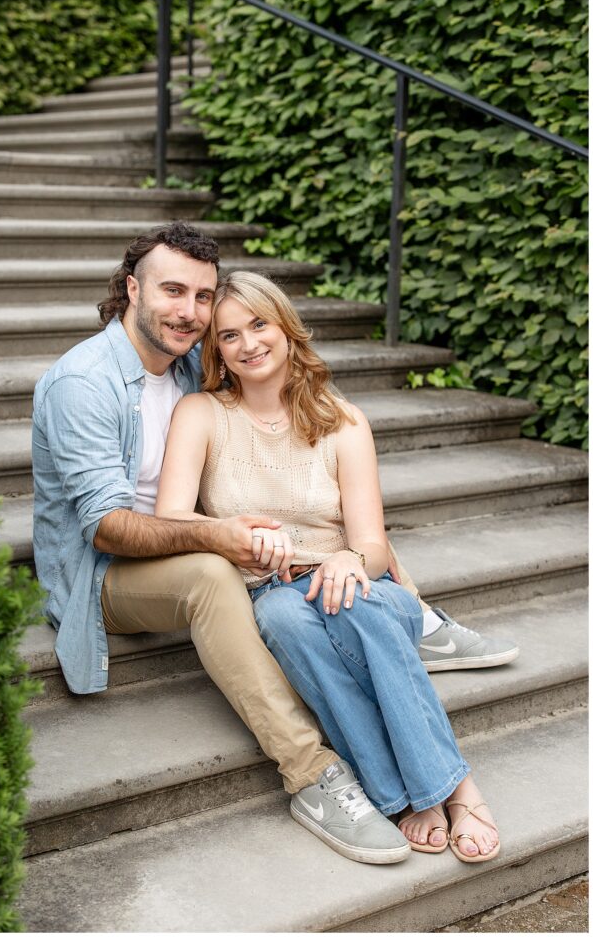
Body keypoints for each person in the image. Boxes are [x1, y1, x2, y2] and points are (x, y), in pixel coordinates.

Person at [155, 269, 502, 864]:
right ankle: (414, 792)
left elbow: (372, 544)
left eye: (260, 325)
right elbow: (170, 519)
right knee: (290, 623)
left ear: (286, 328)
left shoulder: (343, 421)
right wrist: (229, 535)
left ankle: (451, 790)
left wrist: (347, 558)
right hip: (272, 588)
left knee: (360, 609)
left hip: (360, 581)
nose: (249, 344)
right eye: (230, 336)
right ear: (217, 351)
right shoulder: (201, 413)